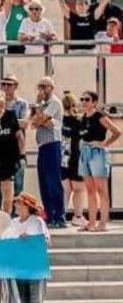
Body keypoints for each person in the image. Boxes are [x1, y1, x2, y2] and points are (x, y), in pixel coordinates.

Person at [0, 192, 51, 303]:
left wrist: (30, 239)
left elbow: (45, 241)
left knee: (36, 300)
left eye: (19, 204)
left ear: (27, 207)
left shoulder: (37, 221)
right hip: (18, 267)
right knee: (21, 300)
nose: (16, 206)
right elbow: (5, 240)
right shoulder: (14, 223)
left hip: (35, 267)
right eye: (16, 203)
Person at [77, 90, 120, 232]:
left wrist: (105, 144)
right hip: (85, 152)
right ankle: (92, 222)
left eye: (87, 99)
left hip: (97, 153)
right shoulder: (83, 117)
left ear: (94, 102)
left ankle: (103, 223)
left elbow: (116, 131)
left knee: (101, 189)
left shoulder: (99, 116)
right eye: (82, 99)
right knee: (90, 190)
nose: (84, 102)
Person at [30, 77, 66, 228]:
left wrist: (40, 115)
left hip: (53, 144)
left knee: (53, 181)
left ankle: (59, 216)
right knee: (44, 182)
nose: (41, 90)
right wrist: (42, 120)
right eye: (40, 87)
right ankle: (50, 215)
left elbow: (41, 118)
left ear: (51, 87)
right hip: (43, 145)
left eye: (44, 87)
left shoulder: (54, 103)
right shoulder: (44, 105)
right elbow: (34, 123)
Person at [59, 93, 86, 226]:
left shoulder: (60, 120)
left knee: (66, 189)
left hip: (62, 159)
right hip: (76, 159)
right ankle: (78, 216)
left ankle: (61, 215)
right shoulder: (79, 121)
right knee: (79, 189)